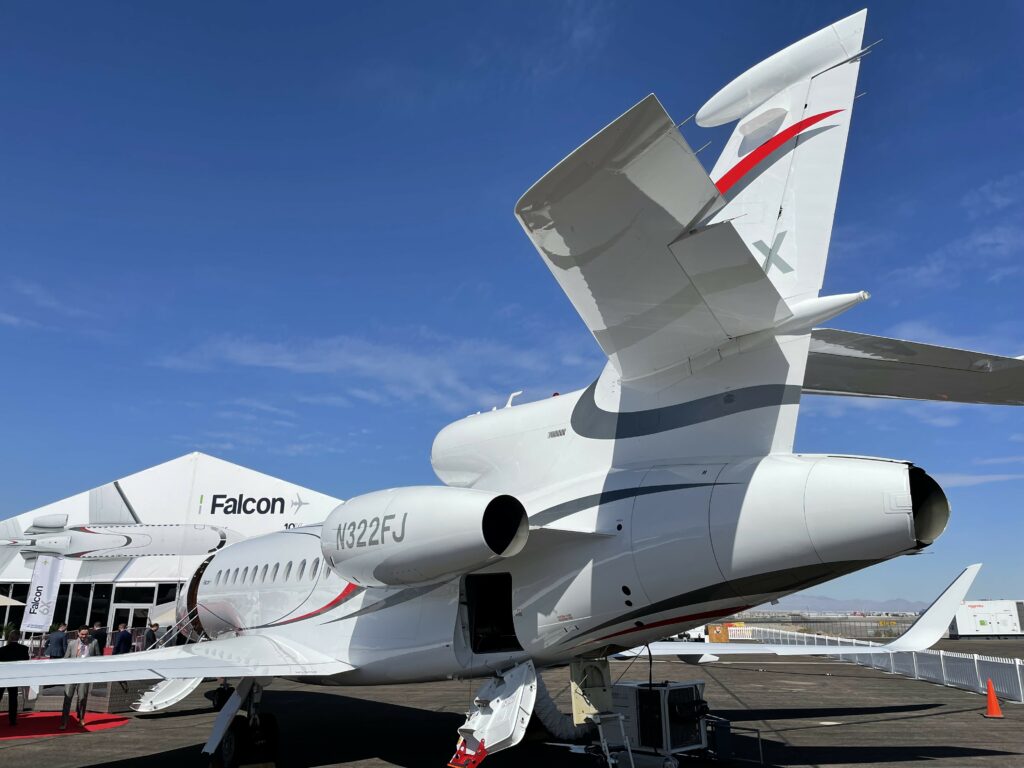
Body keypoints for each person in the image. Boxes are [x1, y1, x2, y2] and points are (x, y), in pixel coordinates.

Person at [61, 626, 98, 730]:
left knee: (82, 698)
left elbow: (98, 657)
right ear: (78, 633)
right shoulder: (72, 643)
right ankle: (64, 721)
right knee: (67, 698)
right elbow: (66, 658)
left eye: (86, 634)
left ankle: (81, 717)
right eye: (82, 634)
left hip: (84, 675)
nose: (84, 636)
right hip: (71, 675)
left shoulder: (94, 642)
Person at [0, 630, 30, 726]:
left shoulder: (2, 649)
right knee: (13, 698)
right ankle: (12, 720)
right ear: (19, 638)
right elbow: (26, 664)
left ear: (10, 637)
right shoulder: (24, 649)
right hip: (14, 677)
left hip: (2, 677)